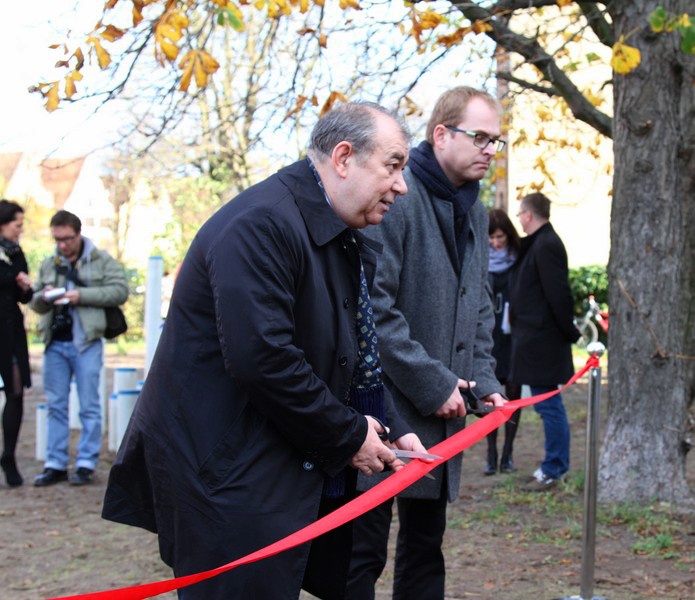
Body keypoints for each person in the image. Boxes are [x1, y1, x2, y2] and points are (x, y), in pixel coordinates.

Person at [102, 102, 429, 600]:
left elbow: (349, 352)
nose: (401, 185)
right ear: (343, 158)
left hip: (277, 469)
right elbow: (265, 360)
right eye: (392, 165)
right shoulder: (262, 224)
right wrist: (348, 436)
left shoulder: (335, 231)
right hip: (228, 480)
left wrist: (391, 428)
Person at [347, 86, 508, 600]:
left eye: (495, 141)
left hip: (445, 414)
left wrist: (484, 381)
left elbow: (478, 306)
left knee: (425, 549)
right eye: (479, 137)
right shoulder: (396, 195)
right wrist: (435, 383)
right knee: (362, 554)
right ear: (441, 135)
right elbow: (374, 310)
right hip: (384, 408)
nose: (489, 149)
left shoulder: (476, 211)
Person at [30, 210, 128, 487]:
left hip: (86, 342)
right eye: (57, 239)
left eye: (67, 239)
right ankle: (56, 463)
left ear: (78, 233)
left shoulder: (100, 259)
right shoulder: (50, 263)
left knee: (89, 406)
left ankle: (86, 462)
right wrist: (45, 295)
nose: (63, 245)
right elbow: (35, 302)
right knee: (56, 405)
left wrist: (80, 295)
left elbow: (120, 290)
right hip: (55, 343)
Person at [509, 192, 581, 489]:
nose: (518, 220)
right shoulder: (539, 243)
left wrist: (569, 332)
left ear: (528, 214)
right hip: (537, 341)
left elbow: (558, 294)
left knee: (549, 405)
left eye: (520, 214)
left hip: (544, 343)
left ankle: (555, 467)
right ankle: (553, 464)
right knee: (547, 405)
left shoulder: (547, 244)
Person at [484, 209, 522, 475]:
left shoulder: (518, 261)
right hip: (489, 337)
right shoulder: (479, 259)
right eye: (491, 238)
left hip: (514, 338)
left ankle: (508, 453)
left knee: (514, 395)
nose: (496, 243)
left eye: (500, 237)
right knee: (491, 396)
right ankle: (491, 452)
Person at [0, 200, 33, 487]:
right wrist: (13, 278)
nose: (20, 230)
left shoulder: (16, 251)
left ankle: (9, 455)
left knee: (16, 390)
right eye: (17, 224)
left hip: (11, 330)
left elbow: (25, 294)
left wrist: (24, 286)